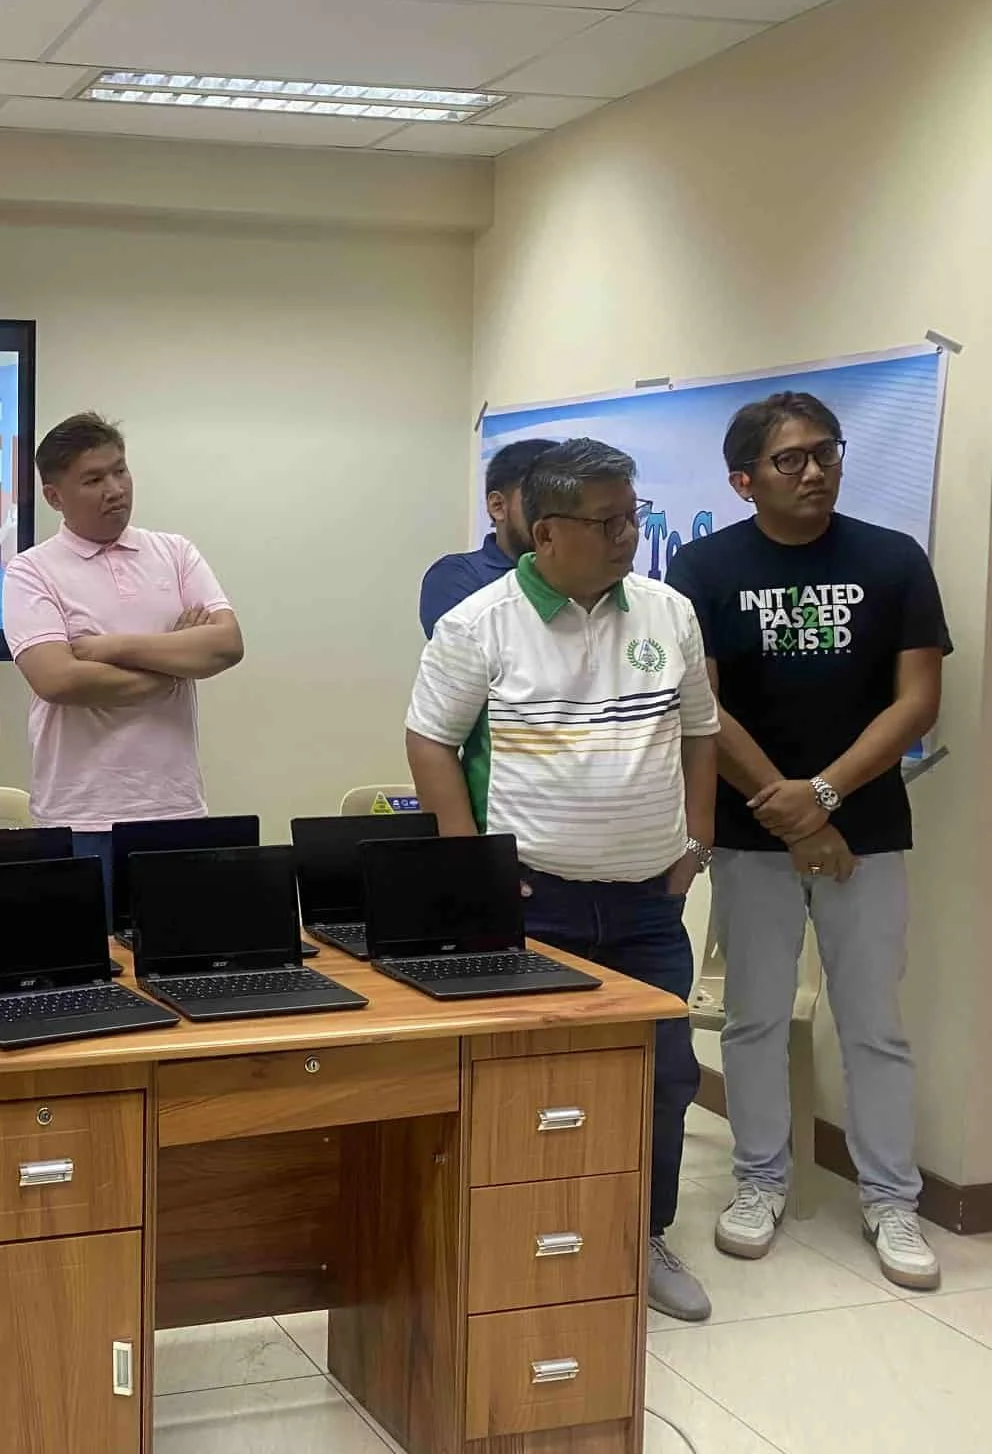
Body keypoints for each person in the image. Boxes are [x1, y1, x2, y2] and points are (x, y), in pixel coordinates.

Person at [405, 438, 720, 1322]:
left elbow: (701, 730)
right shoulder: (479, 623)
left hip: (649, 902)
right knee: (525, 1082)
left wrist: (698, 843)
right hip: (532, 900)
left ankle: (642, 1234)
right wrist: (473, 867)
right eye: (609, 521)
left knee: (662, 1076)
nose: (630, 533)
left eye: (634, 516)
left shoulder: (668, 614)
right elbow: (429, 740)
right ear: (546, 532)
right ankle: (516, 1233)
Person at [666, 393, 948, 1291]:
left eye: (826, 452)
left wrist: (822, 798)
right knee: (752, 1019)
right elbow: (702, 707)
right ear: (743, 480)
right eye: (791, 460)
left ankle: (891, 1198)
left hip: (865, 830)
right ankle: (758, 1182)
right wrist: (787, 809)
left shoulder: (892, 558)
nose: (816, 471)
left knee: (872, 1022)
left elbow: (917, 700)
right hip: (750, 836)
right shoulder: (706, 567)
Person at [0, 412, 243, 895]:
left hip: (175, 811)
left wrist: (113, 647)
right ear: (54, 497)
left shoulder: (174, 553)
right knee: (95, 968)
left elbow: (226, 645)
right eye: (94, 479)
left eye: (120, 470)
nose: (116, 488)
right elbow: (59, 681)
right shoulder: (32, 571)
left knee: (181, 965)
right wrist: (171, 665)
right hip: (82, 816)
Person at [418, 436, 557, 638]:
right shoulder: (458, 575)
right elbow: (471, 654)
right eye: (542, 499)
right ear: (498, 506)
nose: (557, 515)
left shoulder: (585, 574)